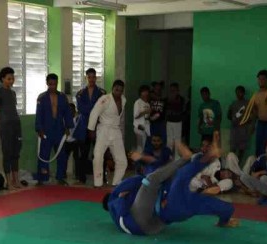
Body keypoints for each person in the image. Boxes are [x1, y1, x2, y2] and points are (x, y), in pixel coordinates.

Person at [101, 134, 239, 236]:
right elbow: (138, 182)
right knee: (152, 179)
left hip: (154, 224)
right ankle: (188, 159)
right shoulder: (114, 197)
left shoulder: (186, 194)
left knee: (168, 181)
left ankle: (192, 159)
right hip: (145, 221)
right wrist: (119, 198)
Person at [35, 74, 74, 186]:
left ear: (57, 83)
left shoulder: (62, 97)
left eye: (55, 84)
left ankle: (60, 177)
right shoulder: (42, 97)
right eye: (50, 84)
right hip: (46, 129)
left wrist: (67, 127)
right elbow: (39, 114)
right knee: (44, 154)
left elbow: (67, 113)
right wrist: (39, 129)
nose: (52, 86)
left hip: (59, 129)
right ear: (47, 83)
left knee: (61, 155)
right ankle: (42, 178)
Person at [88, 80, 128, 188]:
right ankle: (98, 183)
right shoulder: (105, 99)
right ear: (112, 88)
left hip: (116, 130)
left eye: (120, 90)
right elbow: (94, 113)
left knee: (122, 161)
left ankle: (116, 183)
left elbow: (119, 117)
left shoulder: (123, 100)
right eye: (116, 89)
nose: (118, 92)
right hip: (104, 130)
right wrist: (91, 130)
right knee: (98, 157)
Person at [73, 68, 107, 185]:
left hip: (99, 126)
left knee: (100, 153)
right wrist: (94, 109)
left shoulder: (102, 93)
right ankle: (81, 178)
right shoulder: (80, 93)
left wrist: (94, 111)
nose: (91, 79)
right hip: (84, 126)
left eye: (93, 77)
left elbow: (103, 109)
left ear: (96, 78)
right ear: (86, 78)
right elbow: (81, 109)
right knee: (83, 154)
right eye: (89, 77)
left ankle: (102, 177)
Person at [0, 67, 22, 190]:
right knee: (7, 153)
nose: (11, 81)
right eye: (9, 79)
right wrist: (0, 125)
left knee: (16, 152)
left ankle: (16, 180)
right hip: (6, 126)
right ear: (3, 79)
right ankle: (9, 182)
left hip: (16, 125)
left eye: (12, 79)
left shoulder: (13, 93)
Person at [240, 69, 267, 157]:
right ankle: (259, 164)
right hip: (260, 124)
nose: (260, 81)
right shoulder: (256, 95)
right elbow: (255, 112)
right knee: (259, 146)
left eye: (263, 79)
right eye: (259, 79)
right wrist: (253, 125)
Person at [228, 85, 252, 164]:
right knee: (232, 149)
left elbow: (251, 116)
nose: (238, 94)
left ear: (243, 93)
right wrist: (233, 118)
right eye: (237, 93)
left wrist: (247, 123)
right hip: (234, 129)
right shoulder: (233, 103)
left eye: (240, 92)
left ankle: (238, 165)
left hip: (243, 129)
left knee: (241, 149)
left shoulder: (247, 103)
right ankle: (232, 165)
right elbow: (228, 115)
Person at [166, 82, 186, 154]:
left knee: (177, 140)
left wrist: (173, 99)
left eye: (174, 90)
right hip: (169, 121)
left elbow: (180, 109)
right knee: (169, 140)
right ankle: (168, 155)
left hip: (178, 122)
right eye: (171, 90)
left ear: (178, 91)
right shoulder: (167, 99)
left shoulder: (181, 99)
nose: (172, 92)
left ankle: (177, 157)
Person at [133, 85, 152, 152]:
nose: (145, 93)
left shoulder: (148, 104)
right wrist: (145, 112)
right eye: (144, 92)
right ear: (140, 93)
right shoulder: (138, 102)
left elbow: (147, 117)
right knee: (140, 148)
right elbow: (136, 116)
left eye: (147, 92)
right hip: (139, 128)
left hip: (146, 128)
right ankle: (138, 158)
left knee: (144, 147)